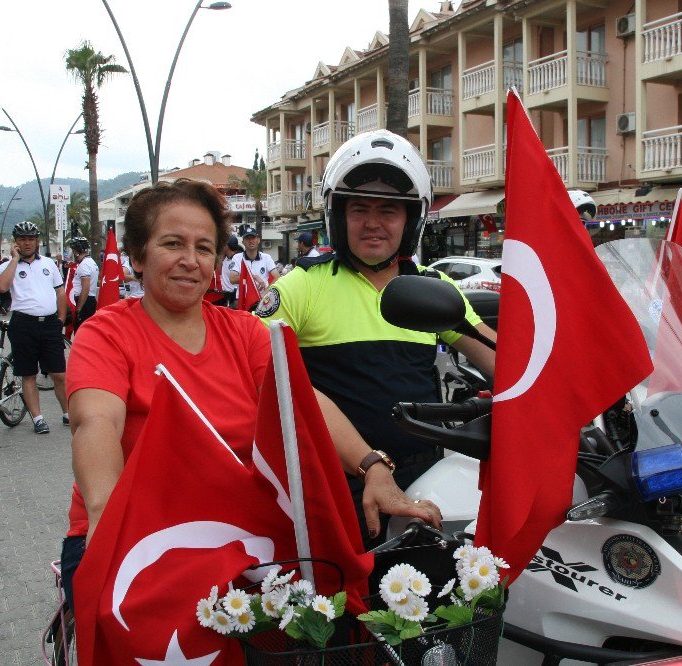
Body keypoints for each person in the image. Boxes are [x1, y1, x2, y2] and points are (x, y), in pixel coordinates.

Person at [62, 178, 439, 609]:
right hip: (135, 533)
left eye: (204, 248)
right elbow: (95, 421)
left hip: (233, 532)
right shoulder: (106, 333)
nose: (190, 260)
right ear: (137, 256)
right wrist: (104, 519)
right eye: (172, 244)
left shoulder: (244, 332)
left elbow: (304, 402)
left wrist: (372, 467)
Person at [257, 129, 497, 546]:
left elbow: (500, 358)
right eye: (359, 209)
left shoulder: (432, 286)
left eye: (388, 211)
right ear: (338, 216)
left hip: (427, 475)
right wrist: (366, 464)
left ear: (410, 221)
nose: (372, 223)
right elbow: (257, 366)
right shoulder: (301, 285)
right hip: (338, 480)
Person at [0, 221, 69, 435]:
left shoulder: (48, 263)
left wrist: (61, 320)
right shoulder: (7, 265)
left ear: (37, 241)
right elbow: (1, 287)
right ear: (15, 242)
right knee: (28, 374)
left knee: (59, 374)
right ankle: (37, 418)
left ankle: (67, 413)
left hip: (50, 324)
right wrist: (15, 260)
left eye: (31, 239)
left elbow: (60, 292)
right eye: (22, 239)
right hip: (23, 325)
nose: (27, 243)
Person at [229, 226, 278, 294]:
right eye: (247, 238)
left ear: (258, 240)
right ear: (243, 242)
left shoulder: (266, 258)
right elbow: (232, 279)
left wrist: (264, 294)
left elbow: (277, 277)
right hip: (243, 299)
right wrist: (254, 277)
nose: (251, 241)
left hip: (262, 300)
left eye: (253, 238)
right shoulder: (237, 258)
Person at [69, 236, 99, 331]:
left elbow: (85, 288)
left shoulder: (84, 265)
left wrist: (78, 309)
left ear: (76, 251)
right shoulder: (91, 262)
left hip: (84, 302)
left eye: (73, 250)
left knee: (80, 330)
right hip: (90, 300)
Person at [218, 235, 240, 308]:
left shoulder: (238, 260)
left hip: (234, 296)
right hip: (225, 294)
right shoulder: (225, 258)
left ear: (227, 246)